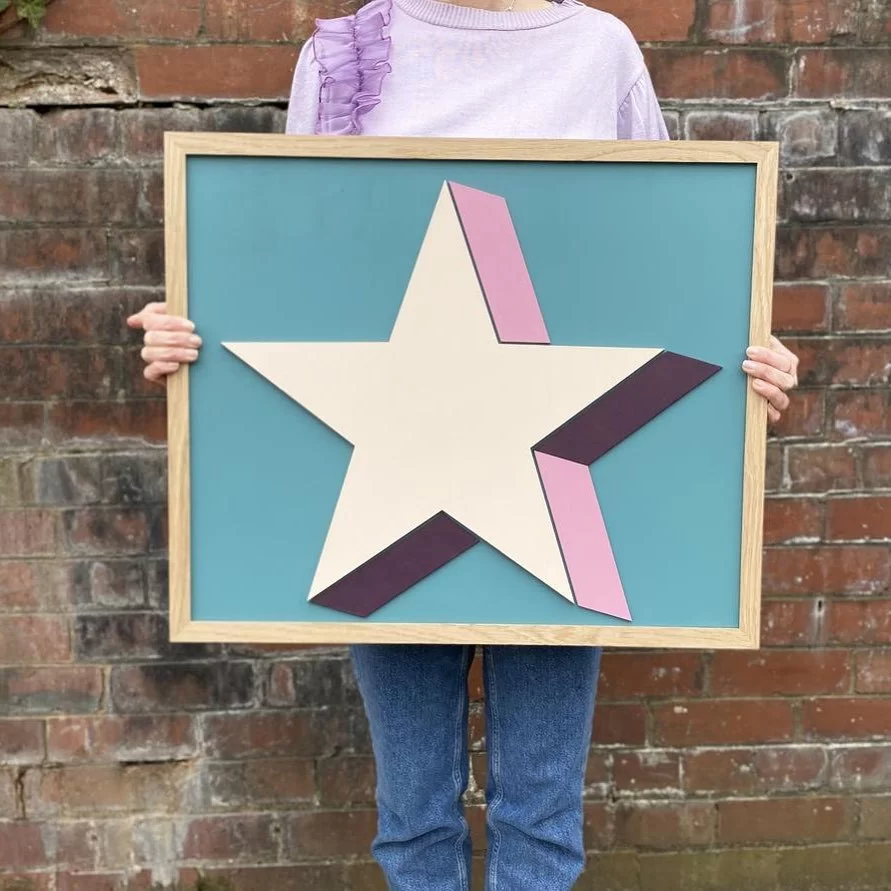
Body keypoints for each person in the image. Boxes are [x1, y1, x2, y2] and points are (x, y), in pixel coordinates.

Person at [128, 0, 800, 887]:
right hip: (390, 480)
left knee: (542, 816)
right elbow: (295, 256)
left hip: (556, 482)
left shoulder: (599, 52)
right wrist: (194, 335)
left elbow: (659, 256)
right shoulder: (342, 57)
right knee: (412, 817)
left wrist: (740, 355)